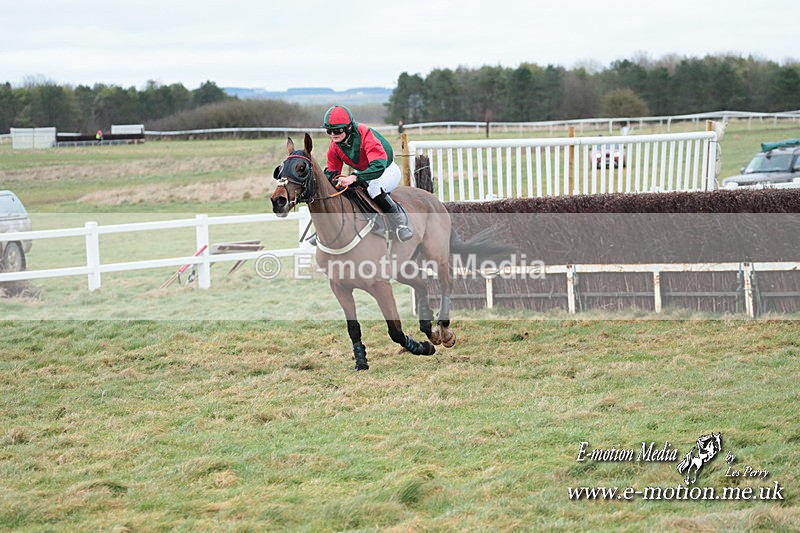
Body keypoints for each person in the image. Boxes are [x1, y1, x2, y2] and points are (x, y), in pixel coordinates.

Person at [322, 105, 412, 242]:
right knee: (345, 190)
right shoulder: (334, 145)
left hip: (386, 169)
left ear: (349, 128)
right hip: (364, 171)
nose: (333, 134)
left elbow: (378, 166)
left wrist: (354, 177)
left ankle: (400, 224)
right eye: (329, 131)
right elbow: (332, 171)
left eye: (338, 130)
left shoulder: (365, 134)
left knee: (373, 189)